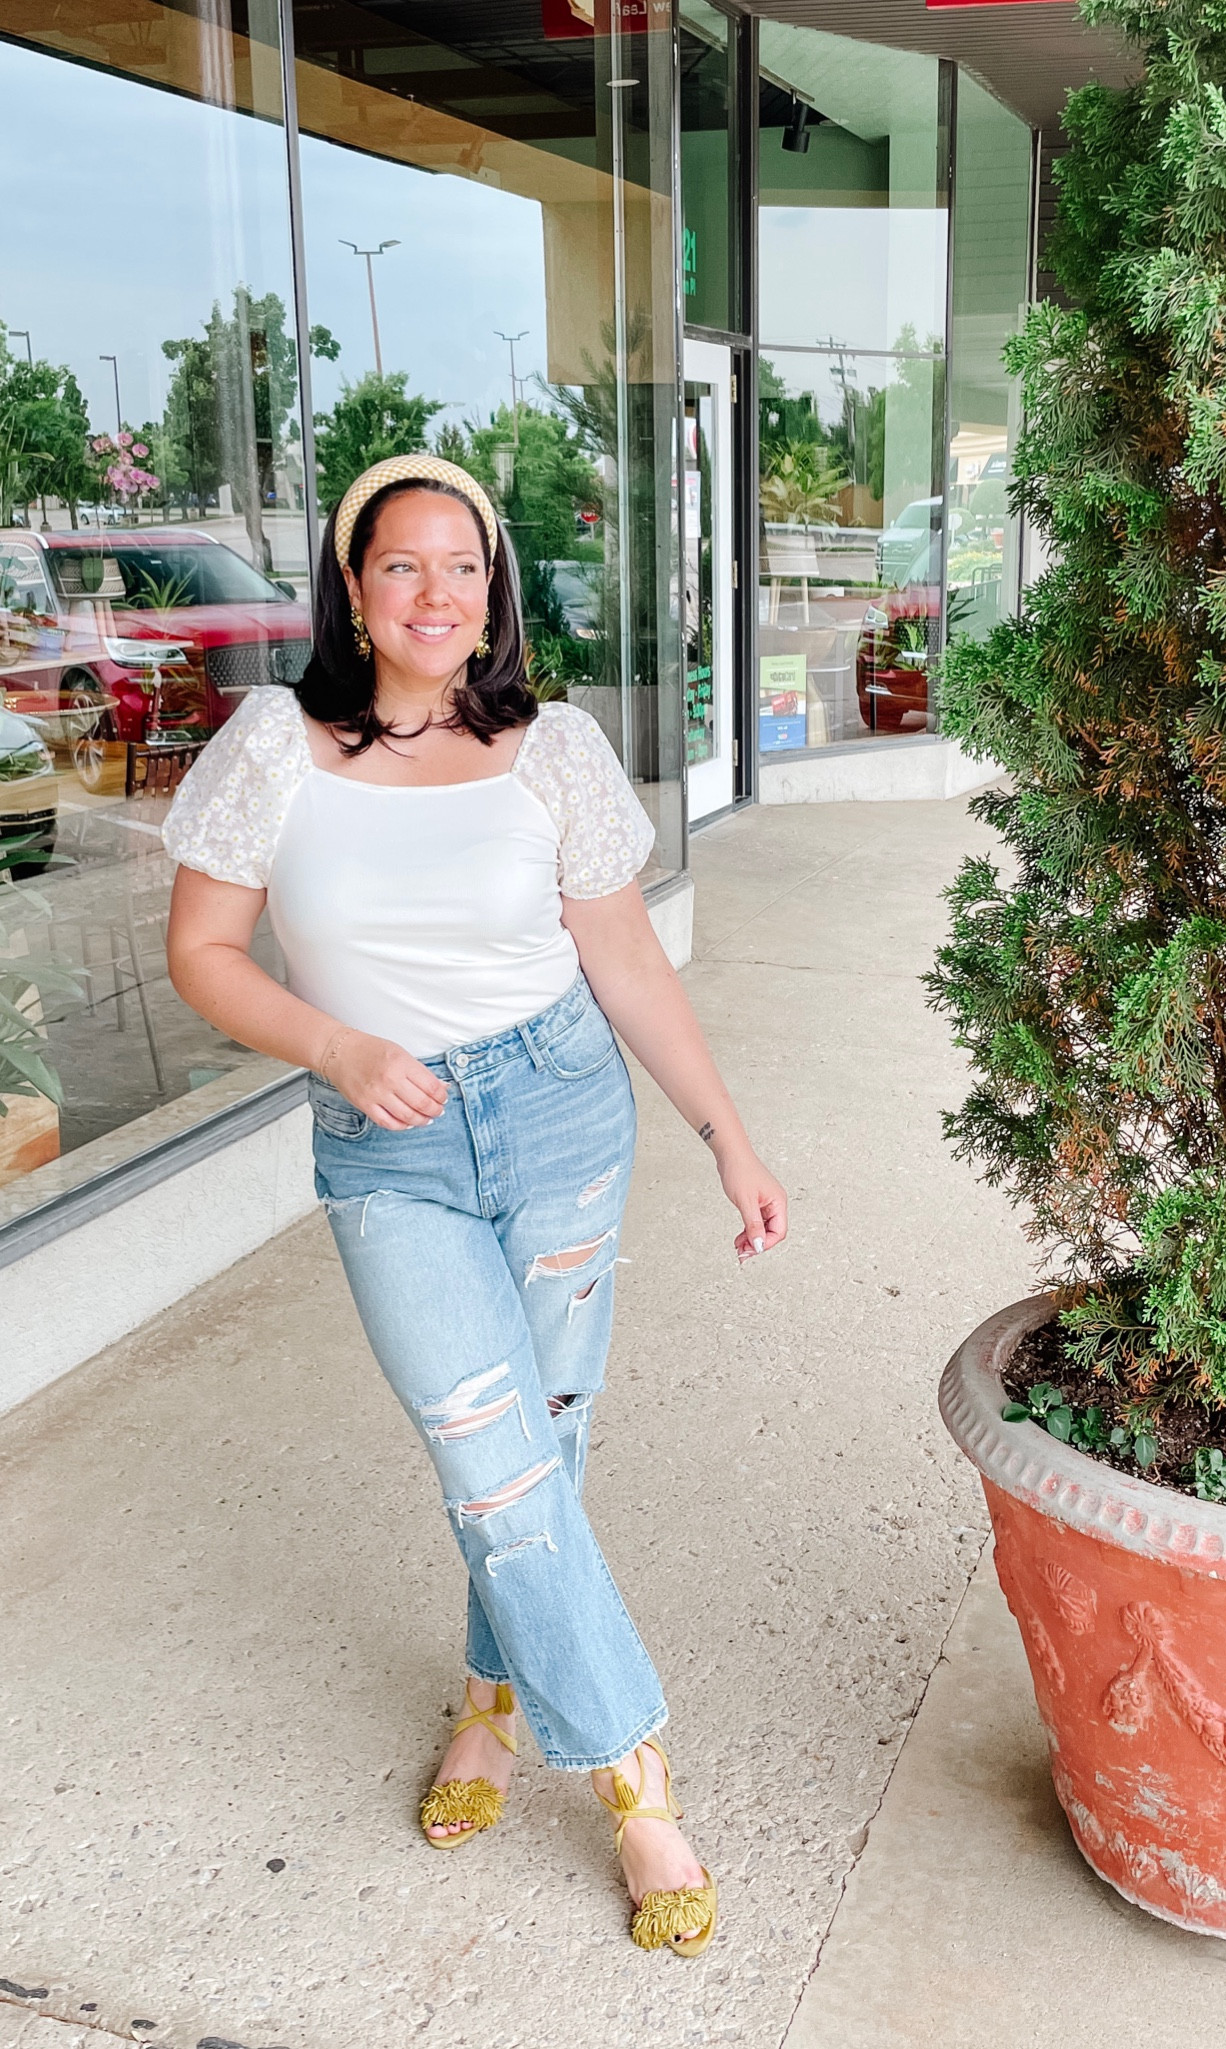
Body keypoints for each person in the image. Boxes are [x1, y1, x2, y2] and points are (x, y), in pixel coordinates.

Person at [163, 454, 787, 1957]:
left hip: (564, 1109)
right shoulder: (274, 747)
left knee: (540, 1445)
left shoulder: (550, 748)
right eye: (401, 566)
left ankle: (494, 1705)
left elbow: (625, 961)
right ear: (352, 586)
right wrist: (337, 1043)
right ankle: (638, 1780)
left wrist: (724, 1130)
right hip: (388, 1144)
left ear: (491, 589)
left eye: (463, 565)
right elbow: (205, 951)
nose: (435, 593)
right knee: (491, 1459)